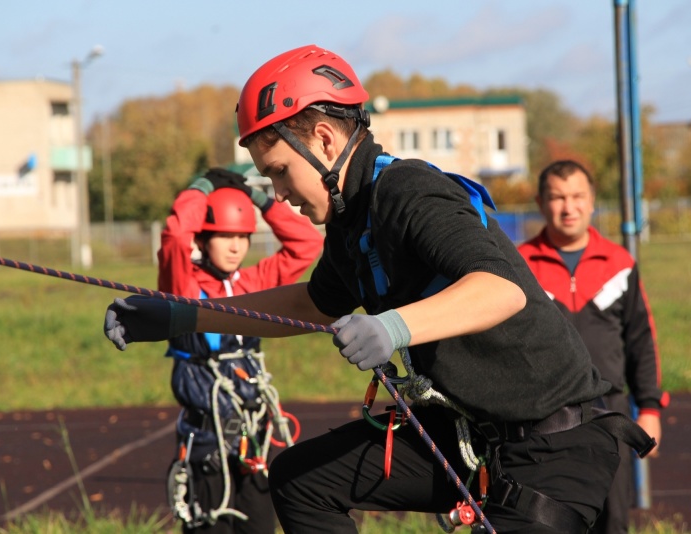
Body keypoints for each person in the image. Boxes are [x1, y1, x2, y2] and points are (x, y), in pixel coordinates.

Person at [104, 44, 654, 534]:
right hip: (473, 437)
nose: (278, 193)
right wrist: (184, 316)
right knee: (300, 479)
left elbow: (502, 289)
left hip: (558, 446)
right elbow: (309, 304)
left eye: (278, 171)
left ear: (323, 138)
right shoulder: (351, 222)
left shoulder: (407, 190)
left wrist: (392, 326)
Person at [157, 168, 323, 534]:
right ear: (203, 238)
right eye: (224, 236)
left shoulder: (254, 284)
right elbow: (173, 236)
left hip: (254, 439)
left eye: (242, 236)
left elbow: (306, 244)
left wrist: (259, 199)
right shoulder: (183, 285)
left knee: (261, 527)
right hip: (205, 445)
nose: (235, 246)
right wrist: (199, 190)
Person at [517, 160, 668, 534]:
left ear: (592, 200)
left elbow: (640, 341)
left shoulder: (620, 264)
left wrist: (648, 408)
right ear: (540, 202)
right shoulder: (517, 265)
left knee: (612, 520)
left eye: (577, 196)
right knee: (546, 521)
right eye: (557, 197)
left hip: (609, 414)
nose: (568, 207)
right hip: (541, 416)